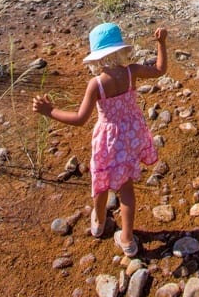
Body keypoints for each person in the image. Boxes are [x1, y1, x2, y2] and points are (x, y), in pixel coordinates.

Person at [32, 22, 168, 257]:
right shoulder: (131, 71)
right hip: (131, 135)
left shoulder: (96, 84)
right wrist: (161, 43)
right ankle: (127, 239)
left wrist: (50, 111)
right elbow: (159, 69)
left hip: (108, 139)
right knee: (126, 188)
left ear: (96, 55)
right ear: (120, 49)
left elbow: (79, 119)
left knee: (101, 179)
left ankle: (99, 220)